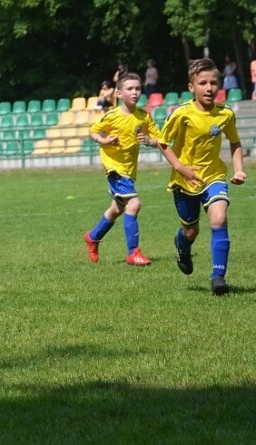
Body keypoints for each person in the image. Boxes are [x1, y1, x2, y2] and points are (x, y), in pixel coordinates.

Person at [157, 58, 247, 295]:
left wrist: (238, 169)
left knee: (219, 219)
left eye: (213, 82)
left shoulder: (225, 114)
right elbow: (163, 143)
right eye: (203, 83)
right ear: (191, 87)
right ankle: (182, 246)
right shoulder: (181, 114)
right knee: (191, 231)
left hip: (214, 177)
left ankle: (218, 277)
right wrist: (180, 167)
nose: (209, 88)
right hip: (184, 181)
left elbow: (235, 142)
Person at [84, 73, 160, 266]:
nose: (135, 92)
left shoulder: (144, 117)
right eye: (130, 89)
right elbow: (93, 131)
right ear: (118, 93)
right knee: (134, 204)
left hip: (129, 170)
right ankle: (133, 252)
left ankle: (93, 237)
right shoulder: (112, 116)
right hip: (114, 169)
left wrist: (149, 141)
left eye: (137, 88)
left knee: (116, 209)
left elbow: (159, 138)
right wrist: (103, 139)